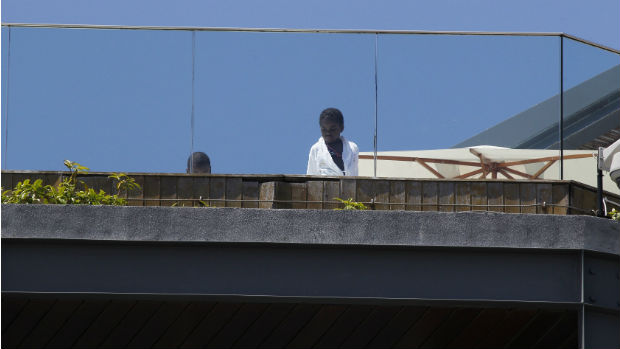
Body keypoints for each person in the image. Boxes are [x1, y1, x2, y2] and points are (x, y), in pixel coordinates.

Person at [307, 108, 359, 176]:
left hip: (349, 185)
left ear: (341, 128)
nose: (328, 132)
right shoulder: (316, 149)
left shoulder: (352, 148)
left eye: (332, 129)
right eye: (324, 129)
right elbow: (311, 176)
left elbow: (356, 173)